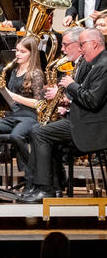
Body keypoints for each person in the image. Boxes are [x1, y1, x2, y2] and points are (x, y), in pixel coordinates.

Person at [20, 28, 107, 203]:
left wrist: (71, 85)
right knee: (40, 130)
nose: (81, 49)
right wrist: (68, 102)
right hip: (82, 119)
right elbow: (87, 97)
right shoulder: (94, 63)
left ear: (95, 44)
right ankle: (52, 187)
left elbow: (93, 101)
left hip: (92, 126)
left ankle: (45, 189)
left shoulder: (104, 66)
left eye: (83, 45)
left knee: (40, 133)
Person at [0, 35, 46, 191]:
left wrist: (14, 96)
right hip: (12, 115)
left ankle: (30, 175)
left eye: (22, 52)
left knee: (16, 136)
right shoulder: (14, 70)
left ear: (31, 53)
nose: (17, 54)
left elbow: (39, 103)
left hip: (29, 117)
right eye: (16, 50)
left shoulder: (36, 74)